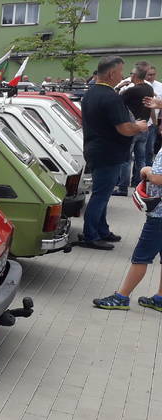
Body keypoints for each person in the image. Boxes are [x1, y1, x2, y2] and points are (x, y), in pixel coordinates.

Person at [79, 56, 149, 250]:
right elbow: (125, 128)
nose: (122, 75)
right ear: (111, 73)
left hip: (97, 150)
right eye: (120, 71)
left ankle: (102, 230)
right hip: (108, 152)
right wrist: (140, 126)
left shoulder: (91, 93)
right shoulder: (111, 97)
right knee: (100, 195)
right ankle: (91, 235)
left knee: (103, 193)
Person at [93, 149, 162, 311]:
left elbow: (159, 178)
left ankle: (122, 297)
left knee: (141, 256)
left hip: (159, 215)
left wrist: (147, 171)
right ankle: (160, 298)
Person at [118, 62, 156, 193]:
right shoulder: (149, 88)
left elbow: (116, 101)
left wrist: (120, 87)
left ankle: (123, 187)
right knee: (141, 158)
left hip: (132, 127)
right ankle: (139, 184)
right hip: (144, 126)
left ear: (134, 75)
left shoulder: (132, 90)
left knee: (126, 158)